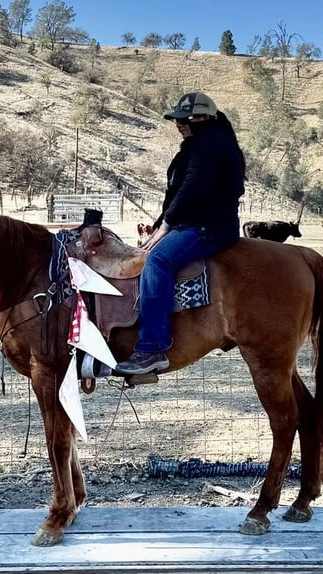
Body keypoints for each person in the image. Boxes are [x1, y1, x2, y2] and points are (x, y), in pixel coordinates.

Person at [116, 91, 246, 375]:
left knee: (158, 261)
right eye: (177, 119)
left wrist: (165, 226)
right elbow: (177, 195)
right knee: (147, 251)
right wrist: (160, 225)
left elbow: (193, 188)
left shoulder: (210, 144)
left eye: (185, 119)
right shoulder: (199, 143)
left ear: (203, 118)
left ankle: (152, 349)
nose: (179, 123)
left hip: (209, 227)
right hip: (194, 222)